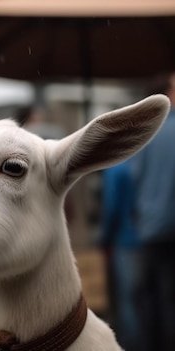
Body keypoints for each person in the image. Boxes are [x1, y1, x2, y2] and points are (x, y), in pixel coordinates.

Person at [134, 72, 175, 351]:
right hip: (172, 228)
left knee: (150, 299)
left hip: (148, 228)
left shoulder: (145, 133)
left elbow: (134, 178)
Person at [98, 158, 141, 350]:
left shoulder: (115, 168)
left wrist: (104, 239)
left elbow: (112, 208)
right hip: (149, 238)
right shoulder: (141, 161)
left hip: (124, 240)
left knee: (128, 303)